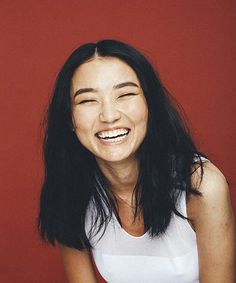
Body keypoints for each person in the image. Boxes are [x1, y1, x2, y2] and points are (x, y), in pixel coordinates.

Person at [38, 39, 235, 283]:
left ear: (149, 105)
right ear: (69, 118)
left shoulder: (201, 186)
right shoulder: (71, 191)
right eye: (88, 100)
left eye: (126, 94)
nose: (109, 116)